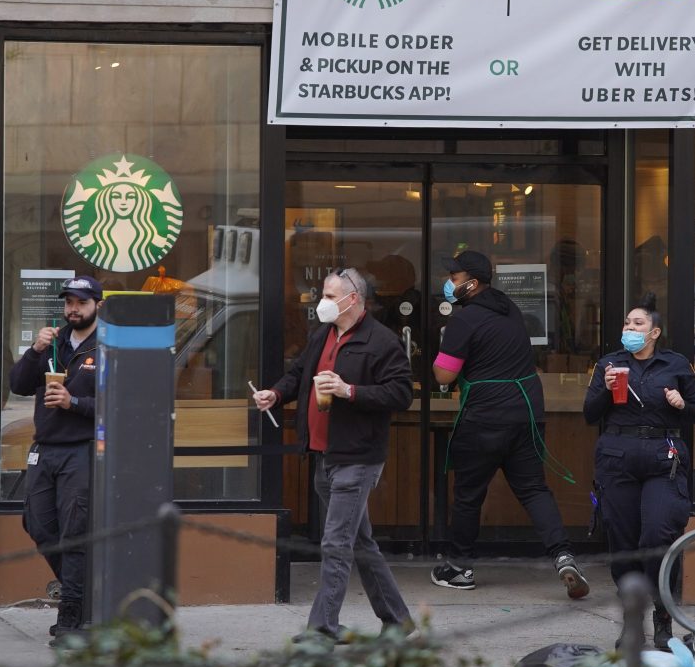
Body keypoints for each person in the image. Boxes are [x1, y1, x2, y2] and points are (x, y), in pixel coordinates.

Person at [253, 268, 417, 641]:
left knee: (336, 543)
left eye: (329, 296)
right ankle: (399, 621)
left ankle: (322, 630)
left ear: (352, 299)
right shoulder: (322, 335)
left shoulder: (382, 341)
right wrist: (275, 395)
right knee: (359, 542)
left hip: (358, 458)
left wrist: (349, 391)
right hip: (324, 454)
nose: (322, 302)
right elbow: (298, 375)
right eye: (323, 295)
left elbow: (401, 394)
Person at [430, 250, 590, 599]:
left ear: (472, 283)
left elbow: (443, 375)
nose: (448, 284)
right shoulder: (509, 308)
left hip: (485, 417)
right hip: (526, 413)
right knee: (533, 489)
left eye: (454, 278)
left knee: (469, 495)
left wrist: (441, 349)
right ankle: (563, 555)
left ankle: (459, 569)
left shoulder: (464, 320)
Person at [583, 298, 695, 651]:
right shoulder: (609, 365)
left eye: (638, 324)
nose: (630, 329)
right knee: (622, 540)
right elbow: (590, 414)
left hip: (662, 457)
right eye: (627, 323)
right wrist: (606, 390)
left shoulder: (675, 364)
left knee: (658, 533)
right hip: (617, 456)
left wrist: (680, 404)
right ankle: (632, 619)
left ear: (654, 332)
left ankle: (663, 617)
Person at [8, 275, 103, 641]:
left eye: (81, 302)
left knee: (74, 532)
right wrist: (34, 350)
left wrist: (72, 402)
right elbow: (18, 384)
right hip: (44, 449)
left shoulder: (106, 347)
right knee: (38, 525)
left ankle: (71, 617)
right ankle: (89, 594)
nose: (73, 309)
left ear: (97, 305)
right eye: (69, 302)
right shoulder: (54, 343)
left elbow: (116, 404)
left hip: (80, 449)